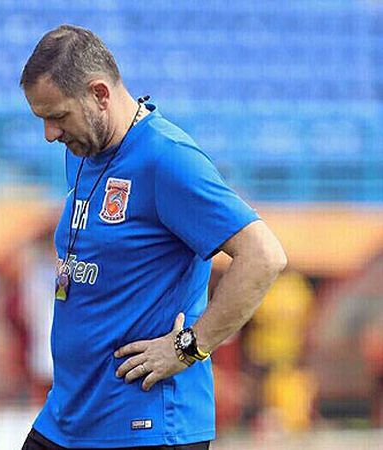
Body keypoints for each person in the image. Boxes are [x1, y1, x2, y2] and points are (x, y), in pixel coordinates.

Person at [18, 25, 287, 450]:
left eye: (57, 116)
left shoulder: (168, 158)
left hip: (144, 425)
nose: (50, 133)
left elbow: (264, 255)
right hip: (70, 416)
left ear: (99, 94)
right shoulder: (86, 152)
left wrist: (187, 348)